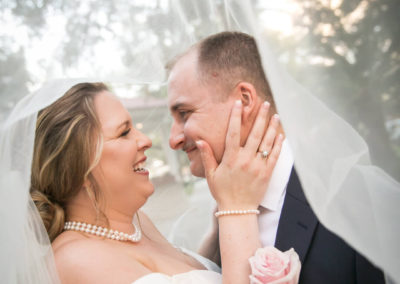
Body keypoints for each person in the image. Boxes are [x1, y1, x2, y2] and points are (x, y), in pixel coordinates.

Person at [167, 31, 385, 284]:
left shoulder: (355, 198)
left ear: (244, 100)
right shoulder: (218, 217)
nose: (174, 140)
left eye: (184, 113)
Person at [29, 82, 296, 284]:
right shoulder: (76, 260)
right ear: (80, 167)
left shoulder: (137, 223)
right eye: (124, 132)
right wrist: (236, 208)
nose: (145, 140)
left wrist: (217, 233)